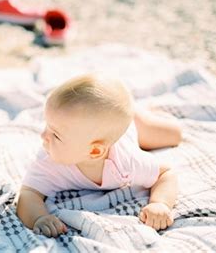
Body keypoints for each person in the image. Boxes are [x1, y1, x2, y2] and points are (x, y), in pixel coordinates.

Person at [16, 74, 182, 237]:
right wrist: (39, 218)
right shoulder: (48, 161)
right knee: (106, 120)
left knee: (173, 135)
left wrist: (160, 203)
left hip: (133, 127)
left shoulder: (127, 162)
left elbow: (166, 173)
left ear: (94, 151)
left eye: (56, 135)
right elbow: (28, 193)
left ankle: (135, 111)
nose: (43, 135)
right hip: (105, 129)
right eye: (47, 125)